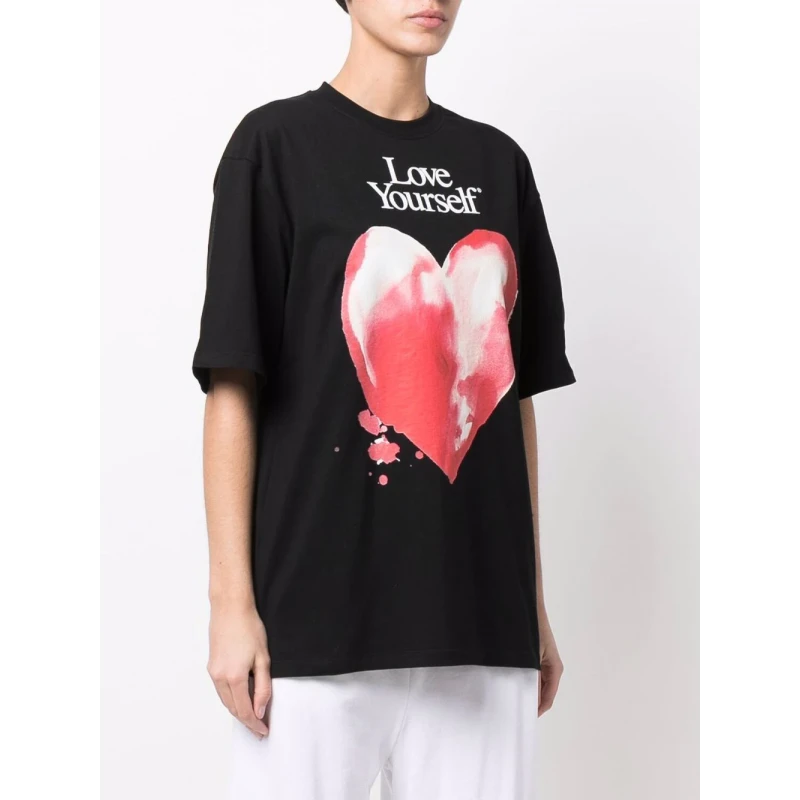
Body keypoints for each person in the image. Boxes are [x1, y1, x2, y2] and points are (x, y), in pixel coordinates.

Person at [192, 1, 575, 797]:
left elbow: (512, 397)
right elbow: (233, 382)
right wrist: (231, 604)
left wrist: (531, 604)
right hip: (312, 625)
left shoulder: (498, 163)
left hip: (480, 623)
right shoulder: (275, 147)